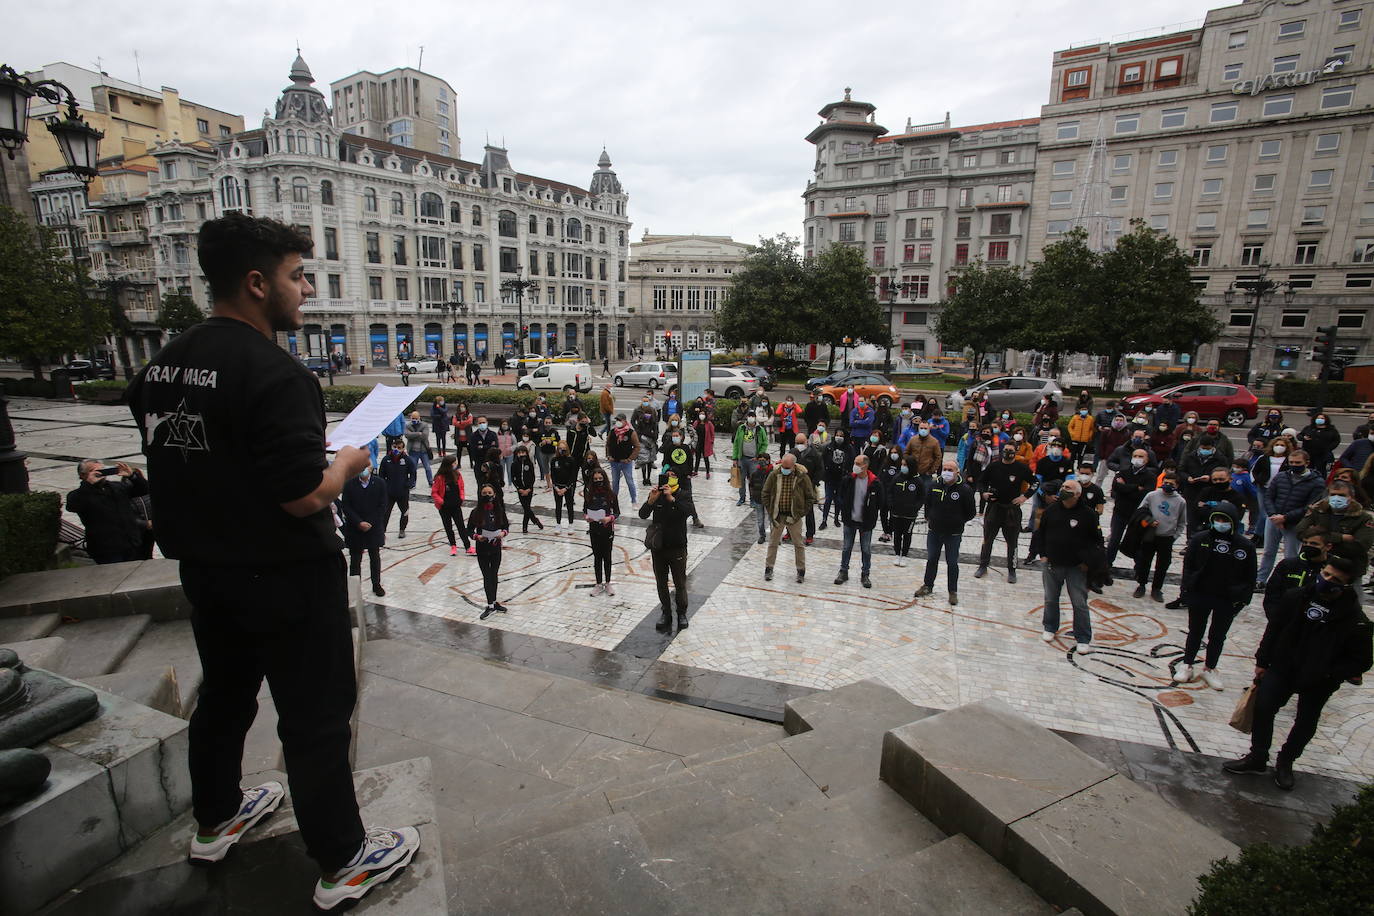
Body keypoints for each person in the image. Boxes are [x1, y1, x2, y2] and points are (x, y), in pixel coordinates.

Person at [125, 215, 418, 906]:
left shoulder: (164, 361)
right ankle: (344, 859)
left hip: (206, 569)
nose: (307, 289)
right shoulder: (276, 372)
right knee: (315, 718)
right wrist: (344, 463)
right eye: (296, 275)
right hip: (285, 575)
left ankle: (216, 817)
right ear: (257, 283)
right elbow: (301, 497)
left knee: (223, 697)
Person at [1224, 555, 1371, 791]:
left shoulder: (1355, 619)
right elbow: (1274, 629)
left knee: (1305, 721)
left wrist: (1330, 674)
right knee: (1263, 708)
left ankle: (1286, 761)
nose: (1327, 580)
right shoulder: (1296, 597)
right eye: (1326, 574)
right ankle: (1258, 756)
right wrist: (1262, 661)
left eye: (1335, 579)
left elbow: (1362, 660)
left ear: (1346, 584)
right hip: (1283, 668)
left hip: (1318, 680)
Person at [1175, 503, 1256, 689]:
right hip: (1201, 593)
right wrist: (1186, 590)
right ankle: (1187, 664)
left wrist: (1242, 599)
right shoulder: (1200, 539)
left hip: (1226, 598)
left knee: (1218, 635)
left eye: (1224, 520)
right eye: (1217, 520)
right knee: (1195, 631)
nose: (1220, 523)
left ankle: (1210, 668)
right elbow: (1188, 566)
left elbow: (1250, 575)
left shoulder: (1244, 545)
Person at [1037, 480, 1103, 651]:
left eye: (1068, 488)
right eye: (1063, 487)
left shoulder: (1088, 514)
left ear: (1078, 494)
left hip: (1076, 566)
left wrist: (1089, 563)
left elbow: (1096, 541)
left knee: (1079, 602)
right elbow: (1041, 532)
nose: (1063, 490)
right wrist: (1043, 555)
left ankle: (1082, 636)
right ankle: (1050, 626)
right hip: (1053, 563)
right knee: (1051, 598)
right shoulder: (1051, 510)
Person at [1256, 448, 1325, 588]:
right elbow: (1269, 496)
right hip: (1274, 520)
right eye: (1291, 462)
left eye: (1298, 462)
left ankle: (1288, 583)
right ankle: (1260, 579)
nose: (1294, 465)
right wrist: (1273, 515)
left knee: (1291, 555)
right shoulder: (1281, 476)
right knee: (1268, 551)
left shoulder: (1317, 482)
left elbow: (1310, 506)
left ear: (1307, 462)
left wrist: (1286, 518)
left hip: (1295, 523)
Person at [914, 459, 976, 605]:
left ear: (957, 472)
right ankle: (927, 585)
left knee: (952, 562)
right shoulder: (934, 485)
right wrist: (929, 517)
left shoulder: (965, 490)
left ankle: (952, 591)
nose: (947, 472)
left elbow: (971, 512)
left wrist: (958, 520)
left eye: (950, 470)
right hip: (934, 530)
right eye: (945, 469)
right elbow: (927, 503)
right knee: (931, 559)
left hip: (953, 533)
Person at [66, 459, 150, 564]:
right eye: (94, 471)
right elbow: (72, 506)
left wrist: (132, 476)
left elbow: (143, 490)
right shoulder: (80, 494)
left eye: (102, 470)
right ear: (83, 475)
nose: (100, 473)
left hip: (132, 544)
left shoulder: (116, 487)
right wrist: (89, 485)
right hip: (106, 549)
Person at [641, 471, 691, 633]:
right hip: (659, 548)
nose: (669, 477)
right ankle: (666, 612)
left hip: (677, 546)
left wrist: (673, 499)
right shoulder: (657, 495)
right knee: (661, 583)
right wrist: (650, 501)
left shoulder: (683, 494)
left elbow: (688, 512)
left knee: (680, 583)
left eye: (673, 475)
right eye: (667, 474)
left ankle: (682, 613)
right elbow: (642, 514)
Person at [1293, 480, 1374, 578]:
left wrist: (1318, 540)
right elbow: (1300, 531)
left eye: (1342, 495)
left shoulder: (1363, 518)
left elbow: (1361, 546)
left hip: (1347, 568)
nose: (1336, 498)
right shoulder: (1318, 511)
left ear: (1351, 497)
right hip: (1314, 562)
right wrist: (1341, 537)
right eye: (1333, 494)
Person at [975, 445, 1033, 583]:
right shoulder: (993, 466)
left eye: (1011, 451)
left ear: (1015, 452)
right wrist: (983, 493)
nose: (1008, 453)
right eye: (1006, 451)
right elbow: (981, 481)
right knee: (988, 539)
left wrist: (1025, 497)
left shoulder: (1021, 468)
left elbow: (1035, 482)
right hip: (994, 507)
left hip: (1012, 509)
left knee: (1012, 542)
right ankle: (983, 565)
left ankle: (1012, 569)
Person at [1127, 473, 1186, 602]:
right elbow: (1140, 511)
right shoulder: (1152, 495)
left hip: (1167, 537)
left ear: (1177, 485)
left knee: (1163, 564)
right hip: (1150, 535)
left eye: (1171, 484)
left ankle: (1156, 589)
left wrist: (1174, 536)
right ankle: (1141, 585)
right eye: (1166, 482)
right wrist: (1148, 521)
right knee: (1144, 561)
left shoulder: (1181, 501)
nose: (1168, 485)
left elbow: (1182, 522)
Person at [762, 453, 817, 583]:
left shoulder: (802, 477)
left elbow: (810, 497)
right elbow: (765, 493)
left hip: (794, 516)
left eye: (787, 467)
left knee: (798, 544)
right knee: (773, 543)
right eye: (783, 466)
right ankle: (769, 568)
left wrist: (800, 513)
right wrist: (770, 511)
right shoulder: (774, 475)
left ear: (794, 465)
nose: (784, 469)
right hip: (778, 515)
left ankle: (801, 570)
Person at [835, 453, 884, 588]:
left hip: (866, 523)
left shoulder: (875, 483)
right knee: (846, 547)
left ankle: (865, 574)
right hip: (850, 520)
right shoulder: (849, 479)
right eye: (854, 463)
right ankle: (843, 571)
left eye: (857, 463)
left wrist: (871, 516)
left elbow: (880, 502)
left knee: (866, 549)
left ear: (865, 466)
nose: (854, 466)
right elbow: (841, 495)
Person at [1105, 448, 1156, 566]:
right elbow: (1116, 489)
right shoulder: (1122, 472)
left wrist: (1126, 487)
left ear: (1147, 460)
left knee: (1136, 541)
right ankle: (1107, 563)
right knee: (1114, 540)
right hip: (1120, 511)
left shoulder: (1150, 476)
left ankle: (1139, 567)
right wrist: (1136, 487)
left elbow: (1145, 494)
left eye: (1141, 456)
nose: (1137, 458)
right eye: (1135, 455)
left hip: (1137, 514)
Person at [1262, 532, 1329, 619]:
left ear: (1328, 546)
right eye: (1305, 543)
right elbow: (1272, 594)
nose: (1308, 546)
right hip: (1283, 619)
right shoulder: (1287, 564)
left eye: (1314, 543)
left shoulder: (1333, 570)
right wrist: (1274, 617)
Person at [468, 484, 509, 620]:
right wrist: (477, 537)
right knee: (487, 575)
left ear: (494, 494)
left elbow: (506, 527)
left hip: (496, 547)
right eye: (484, 493)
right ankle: (490, 604)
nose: (487, 495)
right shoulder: (476, 512)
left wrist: (503, 533)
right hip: (483, 548)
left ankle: (494, 601)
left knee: (494, 574)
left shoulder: (499, 510)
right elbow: (469, 531)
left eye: (489, 492)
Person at [582, 468, 620, 595]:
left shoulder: (611, 494)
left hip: (607, 529)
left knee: (607, 557)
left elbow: (617, 512)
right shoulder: (589, 494)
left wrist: (609, 518)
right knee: (597, 557)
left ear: (604, 479)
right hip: (594, 529)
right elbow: (585, 510)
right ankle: (598, 583)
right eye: (595, 479)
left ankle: (608, 583)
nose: (598, 481)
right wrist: (587, 517)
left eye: (600, 479)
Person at [431, 456, 471, 556]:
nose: (456, 465)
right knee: (448, 527)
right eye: (454, 463)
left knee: (461, 526)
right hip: (444, 507)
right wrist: (442, 502)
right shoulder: (439, 477)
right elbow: (434, 492)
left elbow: (461, 487)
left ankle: (468, 546)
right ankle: (453, 545)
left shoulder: (457, 475)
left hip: (456, 505)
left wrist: (461, 498)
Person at [887, 455, 922, 567]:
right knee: (897, 534)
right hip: (896, 513)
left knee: (907, 534)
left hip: (910, 515)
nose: (903, 467)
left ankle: (905, 555)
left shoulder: (918, 481)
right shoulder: (897, 478)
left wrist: (915, 507)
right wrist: (891, 505)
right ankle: (897, 554)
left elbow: (921, 497)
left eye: (905, 465)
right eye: (902, 465)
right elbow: (890, 492)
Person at [377, 441, 416, 539]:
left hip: (402, 492)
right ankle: (382, 532)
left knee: (404, 512)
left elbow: (413, 473)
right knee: (385, 513)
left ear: (403, 449)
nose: (396, 449)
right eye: (394, 447)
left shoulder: (407, 460)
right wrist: (383, 486)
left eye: (399, 447)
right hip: (389, 492)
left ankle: (402, 530)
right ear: (391, 446)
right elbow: (381, 475)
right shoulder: (386, 460)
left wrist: (409, 484)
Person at [732, 414, 768, 506]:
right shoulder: (741, 428)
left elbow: (765, 443)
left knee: (753, 481)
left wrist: (759, 455)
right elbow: (736, 443)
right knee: (741, 480)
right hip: (742, 458)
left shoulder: (760, 429)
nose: (751, 418)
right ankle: (742, 498)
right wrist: (735, 458)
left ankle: (753, 500)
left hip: (754, 460)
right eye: (749, 416)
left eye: (752, 416)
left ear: (755, 418)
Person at [605, 413, 641, 506]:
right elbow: (608, 444)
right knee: (615, 483)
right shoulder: (612, 432)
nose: (618, 422)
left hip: (625, 463)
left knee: (630, 482)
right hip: (614, 462)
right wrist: (608, 455)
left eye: (620, 420)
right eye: (617, 420)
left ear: (625, 421)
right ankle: (614, 501)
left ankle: (634, 501)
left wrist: (630, 459)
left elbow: (637, 446)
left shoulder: (631, 432)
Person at [821, 428, 850, 529]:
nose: (839, 437)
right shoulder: (829, 446)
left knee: (838, 500)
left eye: (841, 435)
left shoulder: (848, 448)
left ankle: (836, 518)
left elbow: (851, 461)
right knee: (828, 498)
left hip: (841, 478)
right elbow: (823, 459)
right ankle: (824, 519)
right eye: (838, 435)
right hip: (830, 477)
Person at [549, 443, 579, 530]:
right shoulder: (554, 460)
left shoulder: (571, 460)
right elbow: (553, 475)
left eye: (564, 448)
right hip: (557, 487)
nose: (562, 450)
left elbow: (573, 476)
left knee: (569, 505)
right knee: (558, 505)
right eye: (560, 448)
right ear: (557, 449)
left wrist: (566, 488)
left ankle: (571, 524)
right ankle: (558, 524)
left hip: (568, 487)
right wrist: (556, 488)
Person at [632, 395, 660, 486]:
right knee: (643, 460)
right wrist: (638, 433)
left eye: (647, 401)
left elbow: (656, 429)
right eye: (644, 401)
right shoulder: (638, 412)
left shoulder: (652, 412)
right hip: (643, 442)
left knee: (650, 461)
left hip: (651, 442)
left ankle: (648, 478)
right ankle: (644, 478)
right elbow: (633, 422)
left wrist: (654, 438)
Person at [748, 453, 774, 544]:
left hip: (770, 500)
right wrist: (753, 497)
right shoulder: (755, 473)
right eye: (760, 460)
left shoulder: (773, 473)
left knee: (772, 519)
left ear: (768, 460)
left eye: (764, 460)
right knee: (760, 518)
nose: (762, 462)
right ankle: (762, 535)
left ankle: (774, 537)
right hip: (758, 498)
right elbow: (751, 485)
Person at [403, 412, 433, 488]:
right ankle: (413, 483)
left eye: (416, 418)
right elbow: (407, 435)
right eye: (413, 418)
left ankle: (430, 481)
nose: (414, 420)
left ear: (419, 418)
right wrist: (418, 433)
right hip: (413, 451)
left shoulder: (424, 425)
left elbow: (424, 436)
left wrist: (413, 435)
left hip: (423, 451)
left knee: (427, 467)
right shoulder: (408, 425)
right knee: (413, 469)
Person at [692, 409, 715, 478]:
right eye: (700, 414)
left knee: (706, 458)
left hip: (706, 443)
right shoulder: (696, 423)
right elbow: (693, 432)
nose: (701, 415)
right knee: (697, 458)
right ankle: (695, 471)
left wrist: (712, 441)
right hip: (698, 443)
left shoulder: (709, 423)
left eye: (703, 414)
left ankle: (708, 472)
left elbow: (712, 433)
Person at [451, 403, 473, 468]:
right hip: (459, 437)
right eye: (461, 406)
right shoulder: (456, 414)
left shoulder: (469, 414)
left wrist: (460, 423)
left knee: (470, 451)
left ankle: (471, 463)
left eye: (463, 406)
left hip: (467, 437)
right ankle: (459, 464)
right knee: (459, 451)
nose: (462, 408)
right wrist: (463, 423)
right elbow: (454, 422)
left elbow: (470, 421)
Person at [496, 419, 516, 489]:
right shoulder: (497, 434)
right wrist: (498, 452)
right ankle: (502, 484)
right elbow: (496, 445)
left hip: (509, 455)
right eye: (503, 424)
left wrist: (510, 449)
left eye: (506, 424)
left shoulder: (511, 434)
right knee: (501, 471)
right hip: (500, 455)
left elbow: (515, 444)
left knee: (509, 470)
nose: (505, 426)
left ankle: (510, 484)